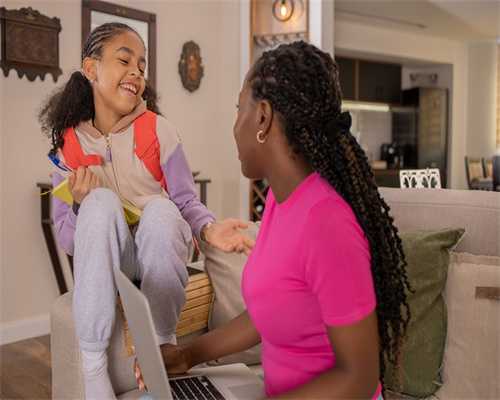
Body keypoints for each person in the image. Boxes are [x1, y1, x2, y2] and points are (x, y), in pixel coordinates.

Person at [161, 41, 411, 399]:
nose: (235, 125)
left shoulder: (327, 223)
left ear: (262, 117)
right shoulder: (281, 203)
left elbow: (359, 379)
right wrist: (188, 355)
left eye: (239, 109)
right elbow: (268, 312)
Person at [39, 22, 253, 400]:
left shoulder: (159, 131)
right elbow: (70, 241)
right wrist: (79, 203)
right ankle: (94, 367)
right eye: (125, 61)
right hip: (114, 259)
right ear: (91, 69)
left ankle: (161, 343)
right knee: (99, 201)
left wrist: (208, 230)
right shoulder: (69, 146)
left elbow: (186, 201)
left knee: (160, 209)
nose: (136, 72)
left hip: (159, 249)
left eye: (142, 65)